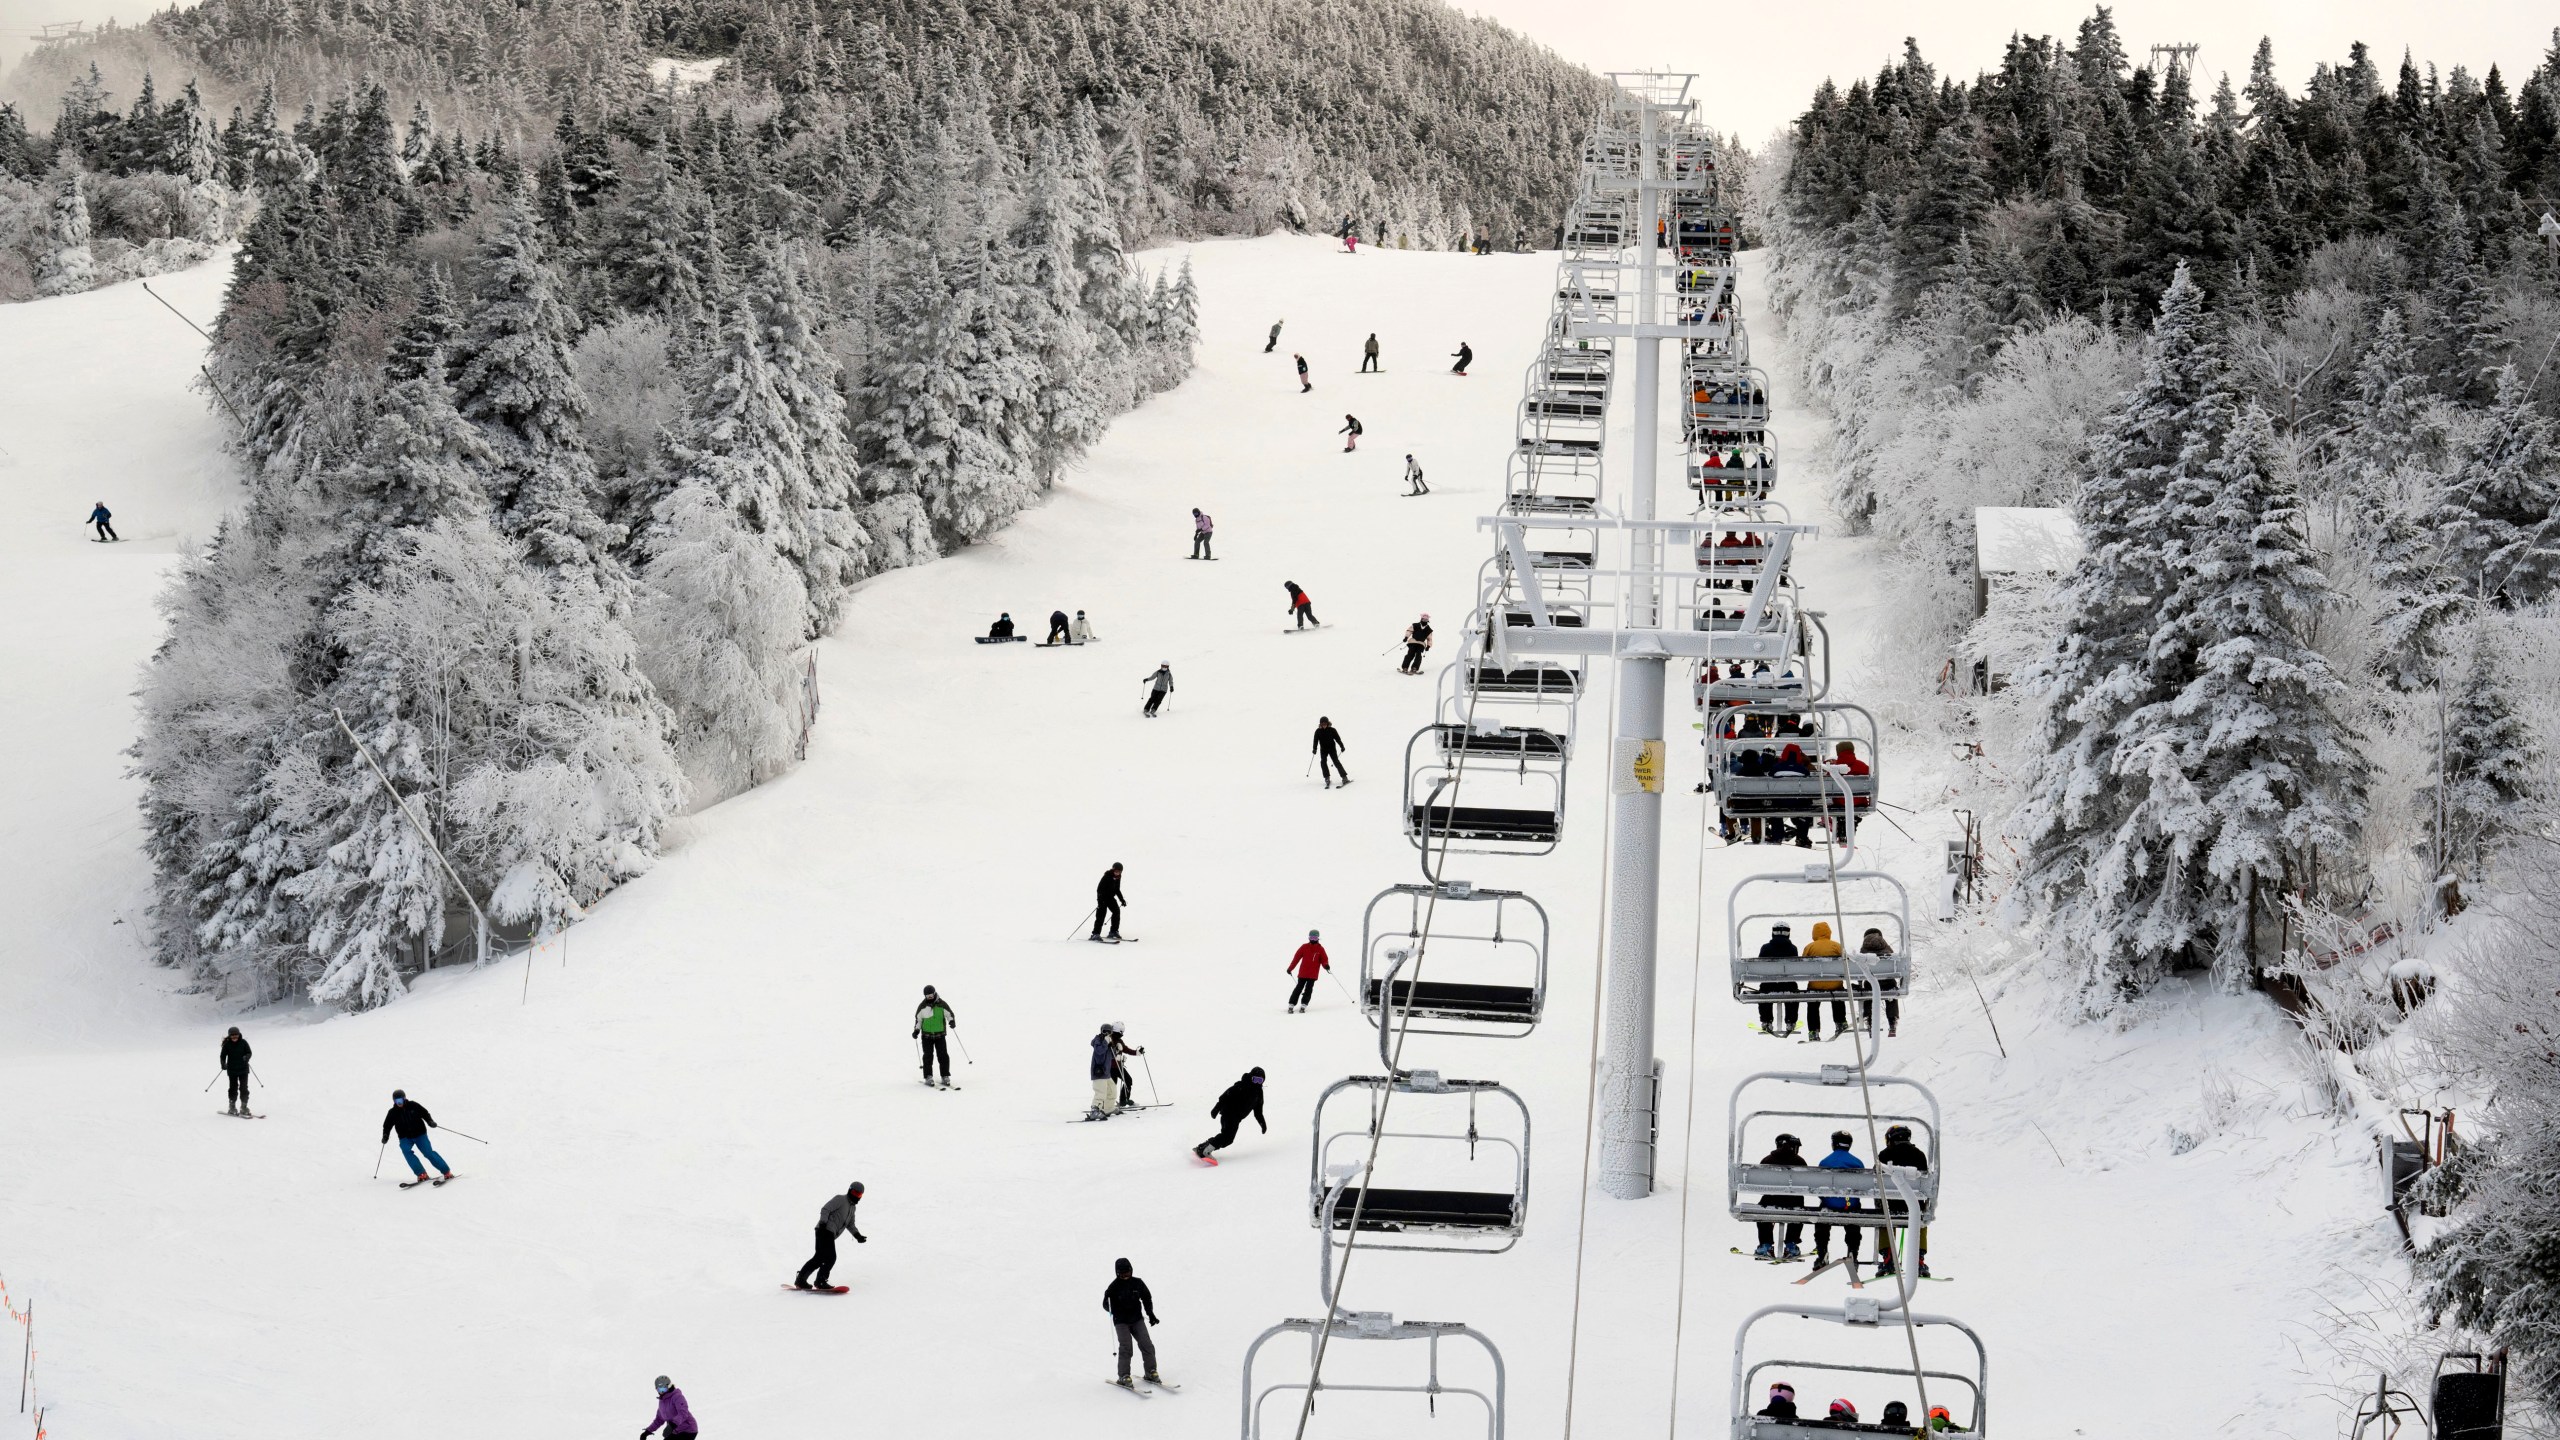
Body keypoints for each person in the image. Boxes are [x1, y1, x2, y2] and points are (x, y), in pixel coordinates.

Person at [1872, 1123, 1931, 1278]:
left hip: (1890, 1205)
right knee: (1920, 1221)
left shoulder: (1884, 1155)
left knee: (1885, 1219)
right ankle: (1918, 1259)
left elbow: (1875, 1179)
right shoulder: (1919, 1155)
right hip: (1914, 1204)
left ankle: (1888, 1258)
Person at [791, 1182, 866, 1289]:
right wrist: (823, 1223)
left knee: (819, 1258)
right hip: (825, 1230)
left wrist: (858, 1236)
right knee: (830, 1257)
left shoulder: (852, 1208)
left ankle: (801, 1280)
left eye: (859, 1195)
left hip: (827, 1232)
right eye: (855, 1192)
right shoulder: (840, 1199)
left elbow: (850, 1224)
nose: (856, 1196)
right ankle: (820, 1281)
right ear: (849, 1191)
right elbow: (826, 1209)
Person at [1103, 1258, 1164, 1387]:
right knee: (1126, 1347)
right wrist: (1111, 1305)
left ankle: (1151, 1372)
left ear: (1131, 1270)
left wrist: (1151, 1314)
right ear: (1117, 1273)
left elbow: (1147, 1298)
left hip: (1136, 1319)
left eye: (1128, 1273)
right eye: (1122, 1274)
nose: (1126, 1276)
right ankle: (1123, 1376)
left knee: (1147, 1344)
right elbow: (1105, 1304)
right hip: (1121, 1322)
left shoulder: (1137, 1283)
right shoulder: (1113, 1287)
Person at [1811, 1131, 1866, 1274]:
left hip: (1830, 1204)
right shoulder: (1857, 1163)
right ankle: (1852, 1252)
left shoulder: (1825, 1162)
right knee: (1853, 1219)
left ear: (1834, 1143)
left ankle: (1822, 1253)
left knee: (1822, 1219)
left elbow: (1819, 1188)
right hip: (1850, 1205)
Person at [1751, 1131, 1807, 1260]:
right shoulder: (1800, 1161)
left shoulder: (1767, 1160)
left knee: (1762, 1208)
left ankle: (1765, 1245)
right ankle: (1791, 1245)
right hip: (1793, 1202)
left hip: (1771, 1201)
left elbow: (1759, 1185)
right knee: (1799, 1208)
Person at [1192, 1067, 1266, 1162]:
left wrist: (1262, 1123)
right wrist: (1216, 1108)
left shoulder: (1259, 1093)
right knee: (1227, 1137)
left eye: (1260, 1080)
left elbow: (1258, 1111)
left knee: (1227, 1137)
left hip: (1237, 1118)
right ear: (1251, 1077)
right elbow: (1225, 1096)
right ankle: (1205, 1150)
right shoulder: (1241, 1086)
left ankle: (1203, 1147)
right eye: (1255, 1079)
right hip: (1229, 1113)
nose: (1256, 1083)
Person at [380, 1089, 453, 1185]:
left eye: (400, 1100)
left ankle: (446, 1172)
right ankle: (421, 1174)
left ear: (404, 1099)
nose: (399, 1103)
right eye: (396, 1101)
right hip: (405, 1137)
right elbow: (387, 1125)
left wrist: (430, 1121)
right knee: (406, 1151)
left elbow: (425, 1113)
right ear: (394, 1101)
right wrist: (385, 1136)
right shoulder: (392, 1112)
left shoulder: (413, 1105)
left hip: (420, 1135)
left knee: (428, 1153)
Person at [1801, 921, 1846, 1041]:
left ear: (1814, 933)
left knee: (1812, 1004)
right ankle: (1840, 1023)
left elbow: (1802, 966)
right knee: (1838, 996)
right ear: (1828, 932)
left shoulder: (1809, 947)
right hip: (1835, 984)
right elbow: (1846, 962)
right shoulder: (1836, 946)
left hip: (1815, 985)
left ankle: (1813, 1031)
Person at [1754, 923, 1799, 1037]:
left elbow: (1759, 968)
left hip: (1769, 986)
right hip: (1787, 985)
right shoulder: (1793, 949)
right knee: (1793, 990)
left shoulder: (1765, 948)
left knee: (1764, 990)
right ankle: (1791, 1021)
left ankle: (1766, 1021)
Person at [1858, 928, 1900, 1038]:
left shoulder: (1863, 949)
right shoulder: (1886, 947)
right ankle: (1892, 1021)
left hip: (1871, 983)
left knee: (1868, 993)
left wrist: (1859, 982)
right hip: (1888, 982)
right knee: (1891, 991)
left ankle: (1870, 1022)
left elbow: (1859, 969)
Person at [914, 985, 957, 1088]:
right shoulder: (922, 1006)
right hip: (926, 1036)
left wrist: (951, 1021)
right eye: (927, 995)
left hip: (940, 1035)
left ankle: (945, 1075)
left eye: (930, 995)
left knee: (943, 1056)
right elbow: (918, 1020)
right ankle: (928, 1076)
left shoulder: (942, 1004)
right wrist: (916, 1031)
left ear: (934, 993)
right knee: (928, 1056)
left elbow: (949, 1014)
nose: (929, 997)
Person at [1103, 1022, 1147, 1109]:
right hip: (1110, 1068)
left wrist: (1137, 1052)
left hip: (1119, 1067)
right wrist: (1116, 1053)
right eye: (1121, 1032)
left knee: (1128, 1081)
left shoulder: (1119, 1040)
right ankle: (1106, 1104)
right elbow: (1107, 1052)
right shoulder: (1109, 1040)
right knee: (1112, 1087)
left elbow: (1125, 1049)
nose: (1122, 1034)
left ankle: (1124, 1100)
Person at [641, 1376, 698, 1440]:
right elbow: (659, 1419)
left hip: (688, 1430)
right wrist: (647, 1431)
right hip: (675, 1431)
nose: (662, 1392)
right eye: (659, 1389)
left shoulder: (677, 1396)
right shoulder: (662, 1401)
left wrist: (672, 1425)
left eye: (664, 1389)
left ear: (669, 1386)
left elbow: (683, 1413)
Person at [1286, 930, 1329, 1012]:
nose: (1313, 939)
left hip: (1313, 974)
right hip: (1303, 973)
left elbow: (1324, 960)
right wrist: (1290, 968)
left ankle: (1304, 1005)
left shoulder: (1320, 949)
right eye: (1311, 937)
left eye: (1315, 937)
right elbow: (1296, 958)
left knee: (1308, 989)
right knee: (1298, 988)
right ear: (1309, 938)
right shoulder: (1304, 947)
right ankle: (1291, 1004)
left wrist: (1326, 965)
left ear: (1318, 938)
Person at [1087, 1026, 1121, 1120]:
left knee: (1112, 1090)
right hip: (1099, 1071)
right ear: (1102, 1031)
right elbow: (1099, 1051)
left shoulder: (1108, 1041)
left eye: (1109, 1032)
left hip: (1106, 1072)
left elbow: (1110, 1054)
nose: (1107, 1033)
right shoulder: (1098, 1040)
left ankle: (1108, 1108)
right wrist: (1106, 1042)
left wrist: (1117, 1051)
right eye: (1105, 1031)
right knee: (1101, 1092)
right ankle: (1094, 1111)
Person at [219, 1026, 252, 1116]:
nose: (234, 1037)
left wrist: (247, 1057)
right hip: (232, 1070)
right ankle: (232, 1106)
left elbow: (249, 1052)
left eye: (236, 1035)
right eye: (232, 1036)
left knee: (244, 1088)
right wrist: (223, 1064)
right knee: (233, 1088)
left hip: (243, 1069)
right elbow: (222, 1056)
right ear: (229, 1036)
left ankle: (244, 1107)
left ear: (239, 1035)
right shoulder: (227, 1045)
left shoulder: (243, 1043)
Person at [1092, 862, 1127, 940]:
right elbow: (1099, 889)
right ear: (1113, 869)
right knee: (1101, 914)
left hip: (1110, 898)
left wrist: (1122, 900)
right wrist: (1100, 900)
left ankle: (1113, 932)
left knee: (1116, 911)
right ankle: (1095, 934)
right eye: (1116, 871)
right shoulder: (1107, 876)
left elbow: (1117, 890)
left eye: (1119, 871)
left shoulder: (1118, 878)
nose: (1117, 873)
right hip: (1102, 898)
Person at [1312, 717, 1349, 788]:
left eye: (1325, 723)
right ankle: (1327, 778)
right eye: (1322, 724)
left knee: (1336, 761)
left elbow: (1338, 739)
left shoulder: (1332, 730)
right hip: (1323, 749)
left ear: (1328, 723)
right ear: (1320, 724)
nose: (1324, 725)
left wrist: (1342, 746)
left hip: (1332, 748)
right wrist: (1314, 749)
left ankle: (1344, 777)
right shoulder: (1318, 731)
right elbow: (1315, 741)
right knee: (1323, 762)